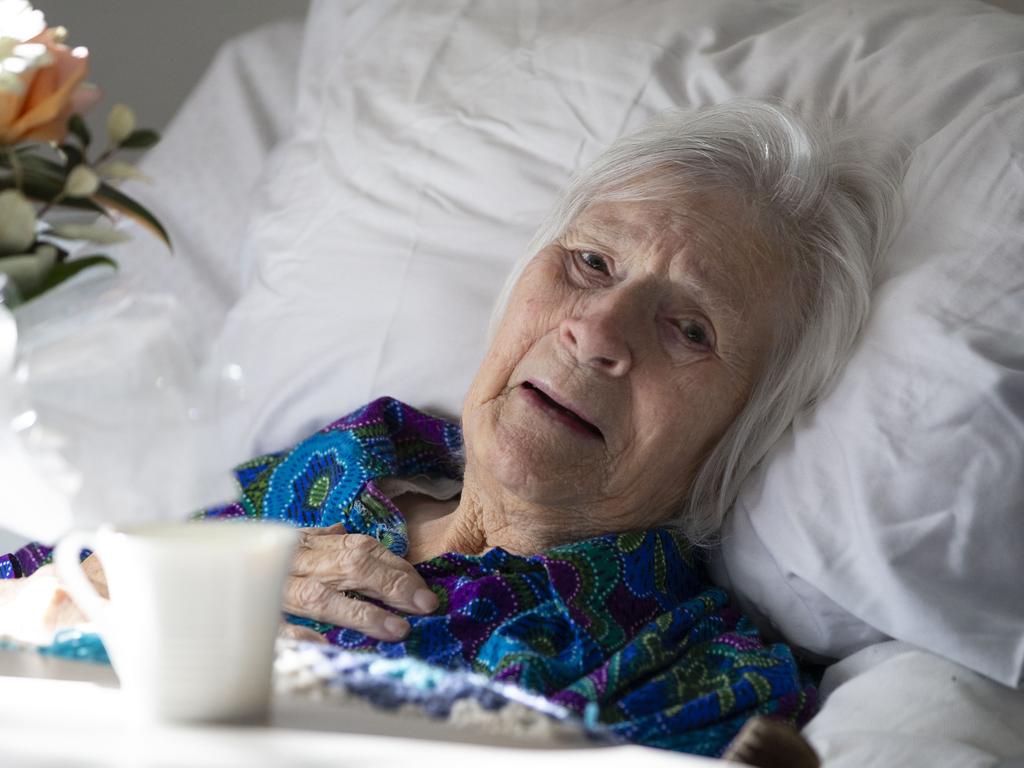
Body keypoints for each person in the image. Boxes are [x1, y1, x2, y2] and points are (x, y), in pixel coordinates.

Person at [0, 100, 903, 761]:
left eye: (690, 329)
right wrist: (108, 582)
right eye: (590, 262)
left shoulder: (700, 671)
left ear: (746, 425)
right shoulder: (348, 463)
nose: (596, 331)